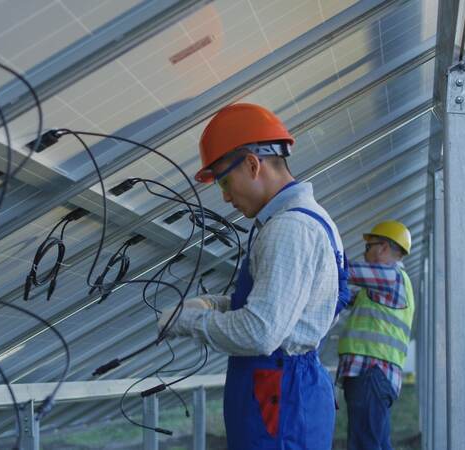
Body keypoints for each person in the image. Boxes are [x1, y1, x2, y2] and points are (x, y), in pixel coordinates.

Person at [158, 103, 344, 450]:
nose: (226, 197)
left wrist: (190, 322)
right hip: (287, 391)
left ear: (252, 164)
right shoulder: (306, 219)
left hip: (278, 395)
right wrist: (219, 304)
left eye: (225, 182)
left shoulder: (289, 228)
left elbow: (260, 331)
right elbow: (288, 309)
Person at [336, 221, 415, 450]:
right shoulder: (380, 288)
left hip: (370, 372)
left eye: (368, 247)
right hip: (378, 376)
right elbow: (344, 297)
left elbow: (345, 273)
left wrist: (321, 258)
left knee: (364, 444)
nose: (366, 253)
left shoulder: (392, 277)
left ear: (382, 247)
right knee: (375, 443)